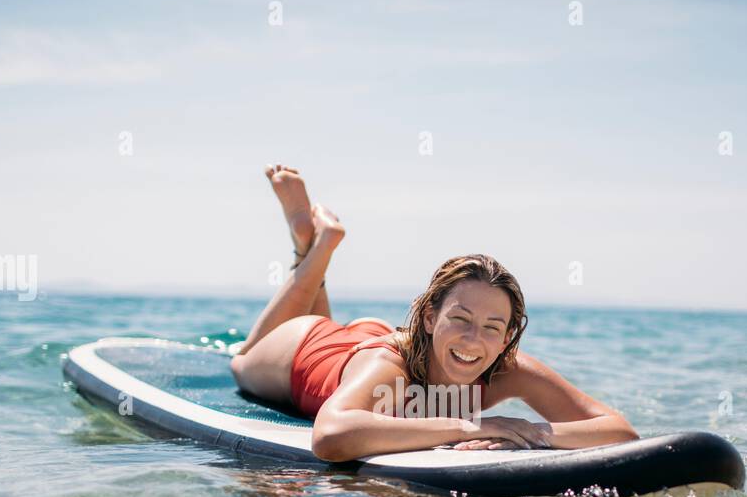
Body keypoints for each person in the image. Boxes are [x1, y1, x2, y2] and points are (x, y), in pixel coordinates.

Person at [230, 165, 639, 461]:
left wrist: (533, 435)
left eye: (492, 327)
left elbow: (618, 431)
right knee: (240, 361)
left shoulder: (505, 367)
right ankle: (312, 249)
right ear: (430, 317)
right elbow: (331, 435)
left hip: (366, 340)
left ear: (506, 336)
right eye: (459, 319)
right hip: (310, 345)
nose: (473, 339)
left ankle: (312, 243)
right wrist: (470, 427)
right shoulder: (391, 366)